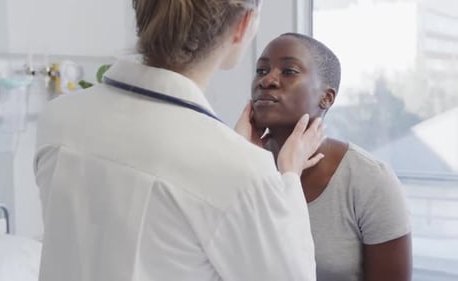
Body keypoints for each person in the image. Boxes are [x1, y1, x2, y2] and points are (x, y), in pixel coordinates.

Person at [34, 1, 325, 281]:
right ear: (243, 25)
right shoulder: (241, 171)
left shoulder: (58, 120)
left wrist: (232, 154)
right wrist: (288, 176)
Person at [249, 32, 412, 281]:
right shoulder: (243, 166)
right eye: (261, 71)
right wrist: (239, 156)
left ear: (326, 97)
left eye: (289, 71)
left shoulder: (370, 180)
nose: (267, 80)